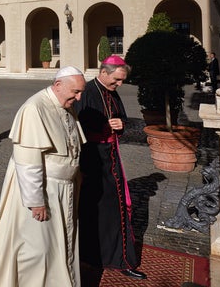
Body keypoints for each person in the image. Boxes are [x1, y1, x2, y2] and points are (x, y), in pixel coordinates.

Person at [0, 67, 86, 287]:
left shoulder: (66, 104)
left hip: (63, 190)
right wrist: (36, 202)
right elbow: (28, 163)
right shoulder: (34, 108)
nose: (79, 97)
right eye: (75, 91)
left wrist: (77, 174)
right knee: (37, 250)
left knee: (59, 245)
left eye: (81, 92)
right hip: (43, 191)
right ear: (58, 85)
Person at [75, 55, 147, 280]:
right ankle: (89, 257)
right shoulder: (85, 92)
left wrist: (121, 124)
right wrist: (102, 126)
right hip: (91, 159)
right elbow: (74, 126)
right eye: (117, 80)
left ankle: (120, 258)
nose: (120, 85)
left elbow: (122, 117)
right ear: (103, 72)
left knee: (117, 210)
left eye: (122, 80)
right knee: (90, 210)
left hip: (112, 158)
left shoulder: (112, 92)